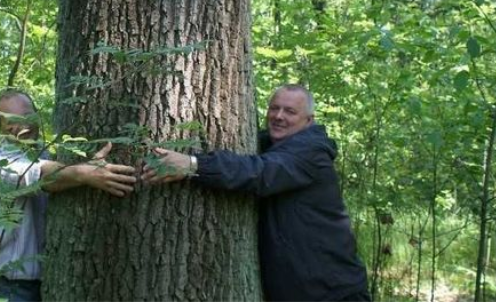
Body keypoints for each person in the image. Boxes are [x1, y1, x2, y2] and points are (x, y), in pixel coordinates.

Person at [142, 84, 369, 302]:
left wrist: (192, 164)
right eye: (274, 108)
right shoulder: (266, 144)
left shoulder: (312, 153)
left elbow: (259, 172)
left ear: (309, 121)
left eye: (290, 111)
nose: (279, 116)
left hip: (334, 292)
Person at [0, 89, 137, 302]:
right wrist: (86, 172)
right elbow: (41, 175)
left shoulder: (44, 154)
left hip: (49, 283)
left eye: (27, 115)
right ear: (0, 127)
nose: (21, 125)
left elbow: (55, 170)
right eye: (11, 120)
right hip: (13, 289)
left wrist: (83, 169)